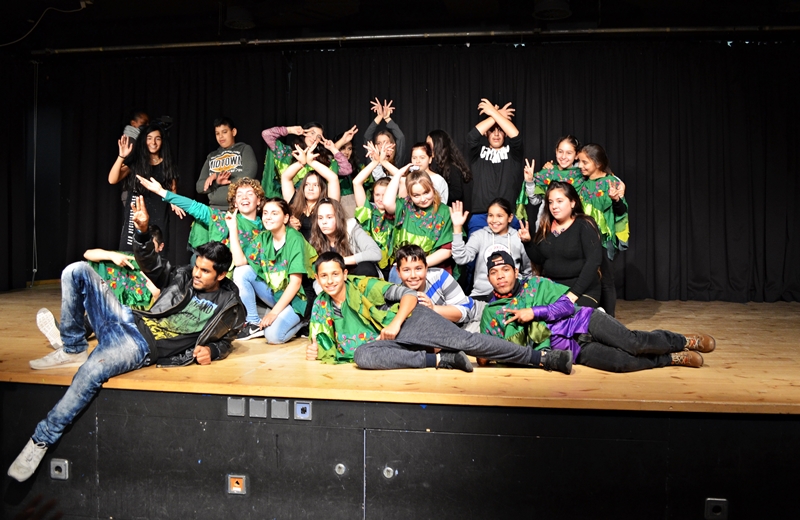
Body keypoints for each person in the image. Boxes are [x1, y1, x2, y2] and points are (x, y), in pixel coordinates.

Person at [8, 196, 245, 483]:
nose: (196, 273)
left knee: (91, 372)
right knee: (75, 270)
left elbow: (228, 339)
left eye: (205, 271)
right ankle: (72, 346)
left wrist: (213, 351)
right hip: (128, 319)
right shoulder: (183, 276)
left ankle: (41, 439)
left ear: (221, 274)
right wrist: (143, 232)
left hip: (139, 346)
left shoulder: (230, 305)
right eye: (197, 266)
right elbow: (153, 266)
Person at [306, 252, 572, 374]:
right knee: (362, 356)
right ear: (317, 279)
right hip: (388, 344)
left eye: (334, 274)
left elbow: (409, 295)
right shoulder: (321, 306)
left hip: (409, 321)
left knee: (467, 342)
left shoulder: (364, 285)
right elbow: (321, 339)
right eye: (324, 276)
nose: (330, 281)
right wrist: (315, 348)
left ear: (345, 274)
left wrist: (396, 323)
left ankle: (543, 358)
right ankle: (441, 360)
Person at [481, 250, 716, 373]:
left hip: (584, 320)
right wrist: (485, 356)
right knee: (622, 363)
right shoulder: (492, 313)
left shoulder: (537, 284)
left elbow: (567, 305)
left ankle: (683, 341)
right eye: (494, 273)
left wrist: (534, 312)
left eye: (505, 269)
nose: (500, 276)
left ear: (515, 271)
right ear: (489, 279)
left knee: (632, 343)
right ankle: (670, 359)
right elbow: (487, 350)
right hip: (573, 349)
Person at [532, 143, 628, 316]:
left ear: (597, 163)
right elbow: (559, 176)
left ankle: (608, 320)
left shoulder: (610, 182)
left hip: (603, 237)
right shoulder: (580, 180)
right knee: (587, 273)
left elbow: (621, 210)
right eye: (579, 162)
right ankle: (594, 313)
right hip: (581, 235)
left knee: (606, 279)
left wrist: (617, 198)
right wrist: (549, 168)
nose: (580, 166)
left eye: (584, 162)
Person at [227, 198, 313, 342]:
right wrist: (232, 229)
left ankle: (305, 320)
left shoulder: (295, 239)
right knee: (241, 271)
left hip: (298, 299)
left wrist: (273, 313)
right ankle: (253, 322)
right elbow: (240, 261)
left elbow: (296, 283)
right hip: (277, 293)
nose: (268, 217)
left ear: (285, 218)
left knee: (273, 337)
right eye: (265, 213)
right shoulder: (263, 237)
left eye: (274, 213)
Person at [137, 176, 265, 258]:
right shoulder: (224, 219)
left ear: (259, 200)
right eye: (239, 195)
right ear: (235, 203)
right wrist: (162, 192)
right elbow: (195, 207)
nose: (244, 197)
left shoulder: (267, 227)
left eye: (250, 194)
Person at [524, 181, 602, 309]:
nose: (554, 206)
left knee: (561, 314)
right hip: (552, 289)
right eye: (550, 202)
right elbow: (541, 260)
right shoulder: (546, 227)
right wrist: (527, 242)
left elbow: (593, 261)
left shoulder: (584, 224)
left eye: (559, 201)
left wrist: (574, 294)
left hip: (582, 290)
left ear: (572, 203)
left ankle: (597, 314)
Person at [109, 123, 184, 251]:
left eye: (157, 138)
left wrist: (175, 202)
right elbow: (112, 179)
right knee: (129, 254)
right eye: (149, 138)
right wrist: (121, 157)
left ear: (162, 141)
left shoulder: (168, 165)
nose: (153, 142)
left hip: (159, 217)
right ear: (144, 140)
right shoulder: (137, 162)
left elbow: (173, 191)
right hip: (136, 214)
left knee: (155, 254)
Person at [450, 197, 531, 300]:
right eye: (490, 215)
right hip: (482, 295)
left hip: (512, 296)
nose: (494, 220)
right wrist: (457, 227)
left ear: (510, 217)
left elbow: (528, 271)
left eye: (499, 216)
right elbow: (460, 259)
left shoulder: (518, 237)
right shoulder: (479, 236)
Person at [383, 168, 454, 280]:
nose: (423, 199)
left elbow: (446, 251)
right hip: (403, 268)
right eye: (416, 195)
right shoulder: (405, 206)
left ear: (432, 187)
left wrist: (417, 266)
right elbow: (387, 203)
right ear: (409, 195)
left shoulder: (445, 212)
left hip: (431, 269)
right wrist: (398, 174)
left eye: (426, 192)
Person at [465, 98, 523, 235]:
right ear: (486, 133)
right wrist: (496, 115)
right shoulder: (477, 153)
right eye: (492, 130)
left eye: (501, 130)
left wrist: (494, 113)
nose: (496, 134)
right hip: (481, 215)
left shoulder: (513, 153)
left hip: (507, 216)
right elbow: (472, 137)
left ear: (505, 133)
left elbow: (516, 137)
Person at [395, 244, 480, 330]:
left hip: (472, 317)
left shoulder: (439, 276)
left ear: (426, 268)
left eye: (418, 269)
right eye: (406, 270)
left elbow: (464, 312)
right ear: (398, 272)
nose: (413, 275)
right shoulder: (400, 295)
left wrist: (433, 308)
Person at [261, 121, 351, 199]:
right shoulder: (286, 152)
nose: (314, 138)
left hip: (315, 207)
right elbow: (266, 134)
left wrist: (333, 148)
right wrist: (291, 130)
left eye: (318, 136)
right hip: (287, 204)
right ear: (304, 132)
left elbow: (347, 170)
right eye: (312, 133)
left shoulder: (322, 159)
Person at [196, 116, 258, 210]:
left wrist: (217, 175)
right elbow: (200, 187)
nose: (220, 136)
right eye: (217, 133)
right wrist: (217, 182)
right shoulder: (211, 156)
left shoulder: (244, 149)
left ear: (233, 132)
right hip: (214, 210)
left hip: (240, 209)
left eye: (224, 132)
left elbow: (249, 174)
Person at [310, 198, 382, 278]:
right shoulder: (316, 238)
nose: (324, 222)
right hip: (332, 282)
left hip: (357, 277)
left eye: (329, 217)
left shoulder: (352, 229)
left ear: (338, 218)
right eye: (320, 218)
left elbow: (376, 253)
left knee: (366, 267)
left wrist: (340, 261)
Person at [282, 144, 342, 240]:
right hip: (297, 247)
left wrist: (311, 162)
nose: (310, 188)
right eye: (307, 184)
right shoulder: (295, 201)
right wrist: (301, 163)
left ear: (322, 188)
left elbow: (333, 178)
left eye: (315, 185)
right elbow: (285, 177)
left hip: (320, 247)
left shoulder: (328, 204)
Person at [353, 142, 395, 276]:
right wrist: (375, 162)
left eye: (385, 194)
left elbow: (403, 181)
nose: (381, 198)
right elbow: (356, 182)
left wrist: (384, 162)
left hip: (393, 263)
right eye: (377, 195)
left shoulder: (399, 210)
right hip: (371, 264)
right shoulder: (369, 210)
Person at [427, 129, 472, 206]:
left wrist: (436, 196)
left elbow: (457, 193)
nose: (426, 147)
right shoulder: (437, 165)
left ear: (438, 145)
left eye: (428, 145)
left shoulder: (452, 167)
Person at [363, 98, 404, 178]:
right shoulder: (373, 159)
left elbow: (400, 137)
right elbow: (367, 136)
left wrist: (386, 118)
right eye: (379, 143)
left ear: (392, 144)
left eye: (385, 142)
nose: (382, 145)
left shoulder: (397, 160)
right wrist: (379, 116)